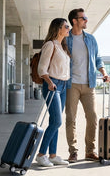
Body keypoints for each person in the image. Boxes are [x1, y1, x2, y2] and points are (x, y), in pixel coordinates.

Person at [65, 8, 110, 163]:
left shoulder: (91, 39)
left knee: (92, 118)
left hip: (89, 84)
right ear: (75, 21)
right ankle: (73, 151)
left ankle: (90, 151)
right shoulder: (66, 39)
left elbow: (98, 59)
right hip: (71, 84)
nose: (86, 20)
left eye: (86, 17)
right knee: (71, 118)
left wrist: (104, 73)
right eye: (83, 18)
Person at [35, 18, 71, 167]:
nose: (69, 28)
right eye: (66, 26)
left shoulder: (62, 47)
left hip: (63, 86)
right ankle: (41, 154)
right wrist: (49, 83)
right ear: (58, 29)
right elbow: (42, 69)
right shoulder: (50, 45)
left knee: (54, 122)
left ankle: (53, 155)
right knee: (57, 121)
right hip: (52, 85)